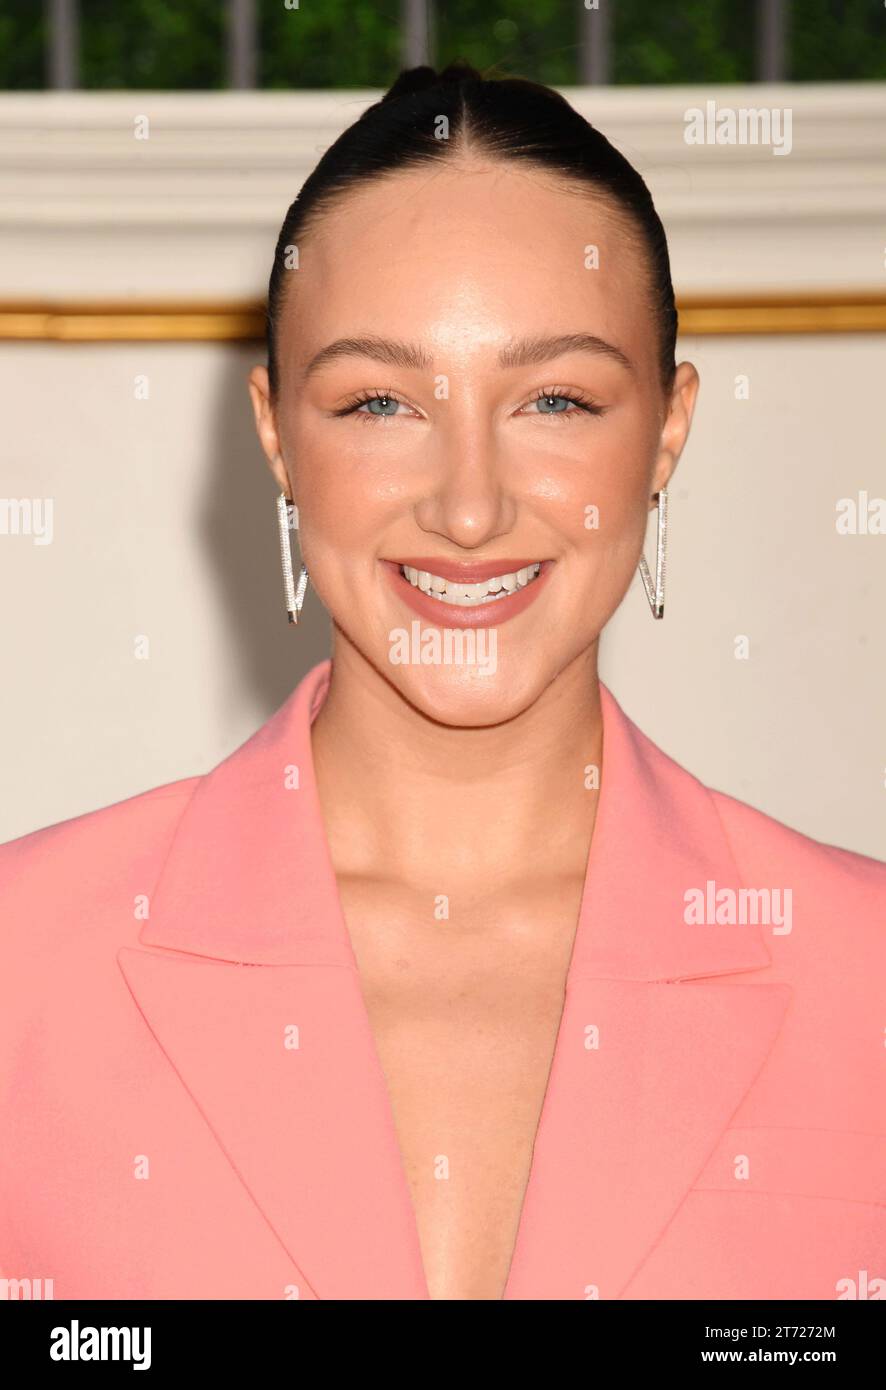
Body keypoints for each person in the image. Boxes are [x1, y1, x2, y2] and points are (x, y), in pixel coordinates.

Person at [1, 62, 884, 1303]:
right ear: (275, 436)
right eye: (377, 403)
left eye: (557, 398)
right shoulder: (21, 972)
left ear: (667, 433)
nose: (468, 506)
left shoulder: (867, 982)